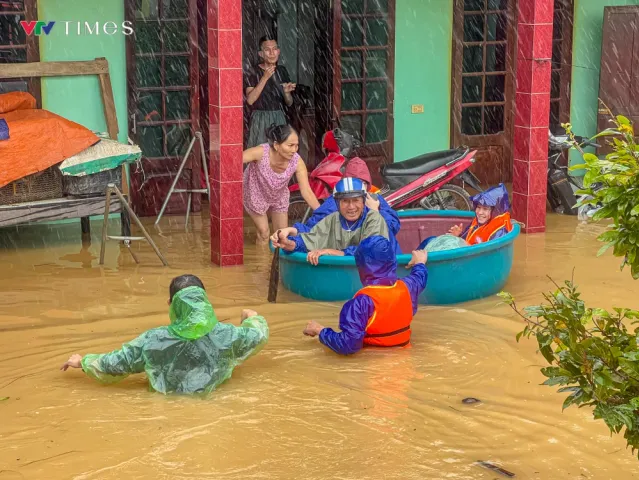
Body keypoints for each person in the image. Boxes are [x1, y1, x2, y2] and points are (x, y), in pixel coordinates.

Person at [60, 275, 269, 395]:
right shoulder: (228, 336)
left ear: (171, 305)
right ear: (204, 302)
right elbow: (259, 334)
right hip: (215, 406)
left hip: (165, 409)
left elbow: (117, 363)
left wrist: (84, 362)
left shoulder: (154, 341)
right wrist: (250, 317)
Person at [302, 236, 428, 355]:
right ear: (393, 261)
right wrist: (420, 263)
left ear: (360, 267)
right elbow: (420, 277)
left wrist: (319, 330)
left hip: (372, 364)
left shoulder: (361, 303)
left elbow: (348, 345)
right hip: (406, 360)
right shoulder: (408, 287)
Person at [293, 156, 401, 253]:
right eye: (353, 182)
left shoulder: (376, 200)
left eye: (362, 183)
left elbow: (391, 230)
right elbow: (313, 229)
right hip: (343, 264)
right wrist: (295, 231)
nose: (351, 206)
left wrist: (376, 212)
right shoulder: (334, 202)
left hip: (377, 263)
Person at [271, 177, 389, 264]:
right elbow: (311, 239)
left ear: (364, 201)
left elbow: (371, 251)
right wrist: (288, 244)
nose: (351, 207)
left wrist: (332, 252)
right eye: (345, 201)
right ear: (337, 203)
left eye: (356, 200)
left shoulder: (374, 218)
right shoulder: (333, 219)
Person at [243, 124, 320, 244]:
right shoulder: (260, 153)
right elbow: (234, 160)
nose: (294, 150)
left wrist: (323, 213)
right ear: (276, 145)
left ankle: (276, 261)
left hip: (278, 195)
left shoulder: (297, 162)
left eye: (296, 145)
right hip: (255, 192)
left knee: (281, 237)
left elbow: (306, 191)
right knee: (264, 233)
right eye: (290, 145)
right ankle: (262, 262)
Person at [416, 183, 513, 250]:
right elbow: (467, 239)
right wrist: (458, 235)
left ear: (495, 211)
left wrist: (465, 246)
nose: (479, 212)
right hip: (465, 256)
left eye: (485, 209)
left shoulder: (499, 232)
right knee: (430, 240)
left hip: (470, 263)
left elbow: (487, 255)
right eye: (478, 207)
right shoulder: (478, 222)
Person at [244, 36, 295, 148]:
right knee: (261, 155)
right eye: (267, 50)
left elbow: (289, 103)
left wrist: (286, 93)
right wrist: (265, 77)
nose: (272, 53)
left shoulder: (282, 70)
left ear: (279, 51)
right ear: (261, 54)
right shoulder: (253, 71)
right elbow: (250, 100)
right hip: (260, 119)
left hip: (279, 117)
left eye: (275, 49)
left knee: (279, 154)